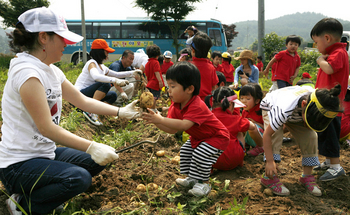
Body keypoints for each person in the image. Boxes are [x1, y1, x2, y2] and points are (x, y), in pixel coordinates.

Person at [0, 7, 140, 215]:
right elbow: (47, 128)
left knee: (94, 161)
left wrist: (120, 112)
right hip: (19, 165)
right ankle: (22, 204)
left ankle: (42, 194)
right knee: (79, 177)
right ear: (43, 37)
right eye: (62, 38)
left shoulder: (52, 71)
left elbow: (82, 100)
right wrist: (91, 145)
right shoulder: (28, 74)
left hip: (44, 154)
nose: (67, 43)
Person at [142, 62, 230, 197]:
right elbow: (171, 129)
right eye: (168, 85)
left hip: (217, 137)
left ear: (189, 89)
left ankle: (205, 183)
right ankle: (193, 179)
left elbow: (184, 125)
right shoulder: (176, 105)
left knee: (200, 154)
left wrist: (160, 119)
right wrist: (155, 121)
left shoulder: (196, 104)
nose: (168, 90)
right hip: (200, 138)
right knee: (185, 151)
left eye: (172, 86)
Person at [260, 84, 342, 196]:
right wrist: (270, 161)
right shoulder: (283, 109)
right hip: (271, 106)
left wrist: (309, 121)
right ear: (304, 104)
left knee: (311, 136)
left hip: (299, 114)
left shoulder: (318, 100)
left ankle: (307, 176)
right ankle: (269, 177)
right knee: (276, 135)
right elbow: (267, 135)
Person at [310, 18, 349, 181]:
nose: (316, 47)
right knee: (324, 134)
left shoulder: (339, 53)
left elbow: (330, 68)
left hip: (332, 106)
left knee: (331, 135)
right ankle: (327, 161)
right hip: (325, 104)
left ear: (326, 38)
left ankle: (336, 167)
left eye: (316, 42)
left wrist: (320, 61)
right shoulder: (334, 53)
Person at [75, 39, 140, 125]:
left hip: (89, 95)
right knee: (105, 84)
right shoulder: (91, 63)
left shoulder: (101, 66)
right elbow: (96, 76)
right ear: (100, 52)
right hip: (79, 95)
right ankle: (90, 110)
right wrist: (114, 80)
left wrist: (132, 73)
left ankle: (98, 111)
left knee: (113, 95)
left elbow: (116, 74)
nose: (108, 54)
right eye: (106, 52)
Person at [211, 87, 252, 171]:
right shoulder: (235, 119)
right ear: (230, 104)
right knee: (239, 133)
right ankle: (241, 162)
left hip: (213, 161)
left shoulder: (208, 117)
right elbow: (252, 127)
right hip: (235, 159)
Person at [190, 31, 218, 100]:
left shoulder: (188, 66)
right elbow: (214, 87)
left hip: (191, 103)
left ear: (193, 50)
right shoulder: (211, 67)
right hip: (207, 103)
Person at [240, 83, 264, 156]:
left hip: (262, 139)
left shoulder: (262, 111)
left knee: (251, 125)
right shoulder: (245, 111)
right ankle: (245, 144)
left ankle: (261, 147)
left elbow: (268, 128)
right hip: (251, 137)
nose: (244, 101)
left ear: (257, 101)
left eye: (248, 99)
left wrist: (255, 123)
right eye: (241, 98)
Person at [144, 44, 164, 109]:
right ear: (157, 55)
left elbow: (147, 74)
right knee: (154, 98)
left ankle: (150, 109)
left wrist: (147, 83)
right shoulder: (156, 62)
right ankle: (153, 109)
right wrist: (160, 81)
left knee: (151, 97)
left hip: (150, 84)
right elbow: (157, 72)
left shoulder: (147, 63)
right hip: (155, 84)